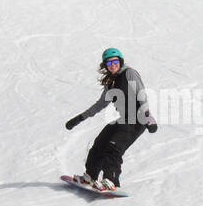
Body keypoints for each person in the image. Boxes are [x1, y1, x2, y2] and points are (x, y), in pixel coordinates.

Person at [65, 47, 157, 191]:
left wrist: (148, 117)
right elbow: (100, 104)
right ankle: (90, 176)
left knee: (114, 148)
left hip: (138, 119)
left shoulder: (129, 73)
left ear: (120, 61)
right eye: (109, 63)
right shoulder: (111, 82)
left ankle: (111, 180)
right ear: (105, 66)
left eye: (115, 61)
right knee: (99, 144)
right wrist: (80, 118)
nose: (112, 65)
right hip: (124, 119)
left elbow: (141, 95)